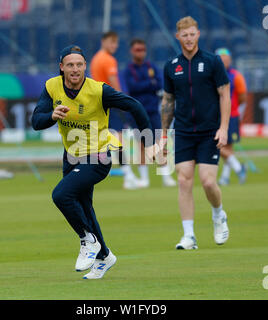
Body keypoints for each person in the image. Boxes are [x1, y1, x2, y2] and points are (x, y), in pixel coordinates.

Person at [31, 45, 154, 279]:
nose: (75, 69)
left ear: (85, 67)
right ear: (61, 68)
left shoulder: (99, 90)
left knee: (61, 195)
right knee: (85, 208)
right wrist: (52, 116)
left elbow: (134, 106)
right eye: (70, 65)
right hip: (71, 156)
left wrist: (149, 143)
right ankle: (105, 257)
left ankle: (88, 240)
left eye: (79, 65)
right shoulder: (51, 86)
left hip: (98, 156)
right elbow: (36, 121)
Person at [160, 16, 231, 250]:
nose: (189, 39)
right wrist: (163, 135)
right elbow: (168, 101)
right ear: (177, 36)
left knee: (209, 182)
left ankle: (218, 215)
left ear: (198, 34)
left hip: (210, 131)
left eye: (192, 34)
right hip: (182, 132)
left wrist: (223, 128)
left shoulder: (213, 62)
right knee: (183, 180)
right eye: (184, 35)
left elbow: (225, 95)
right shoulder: (171, 66)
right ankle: (189, 236)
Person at [90, 31, 143, 190]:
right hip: (111, 103)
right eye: (112, 42)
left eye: (116, 43)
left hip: (100, 102)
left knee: (112, 138)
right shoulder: (108, 60)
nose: (115, 46)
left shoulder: (95, 59)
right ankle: (128, 176)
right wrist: (122, 101)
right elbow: (114, 84)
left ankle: (127, 174)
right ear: (104, 42)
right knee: (118, 139)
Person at [124, 38, 176, 188]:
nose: (140, 52)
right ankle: (144, 179)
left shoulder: (151, 66)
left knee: (160, 142)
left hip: (153, 111)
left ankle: (166, 176)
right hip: (137, 112)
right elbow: (132, 87)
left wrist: (146, 85)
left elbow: (160, 83)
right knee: (141, 144)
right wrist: (149, 84)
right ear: (131, 51)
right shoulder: (129, 70)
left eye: (142, 49)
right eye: (137, 49)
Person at [215, 48, 247, 186]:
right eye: (221, 59)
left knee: (225, 146)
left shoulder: (236, 76)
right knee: (221, 146)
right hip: (215, 115)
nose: (224, 61)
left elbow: (243, 97)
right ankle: (235, 170)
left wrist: (231, 108)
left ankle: (229, 174)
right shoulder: (212, 75)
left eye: (226, 59)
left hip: (231, 115)